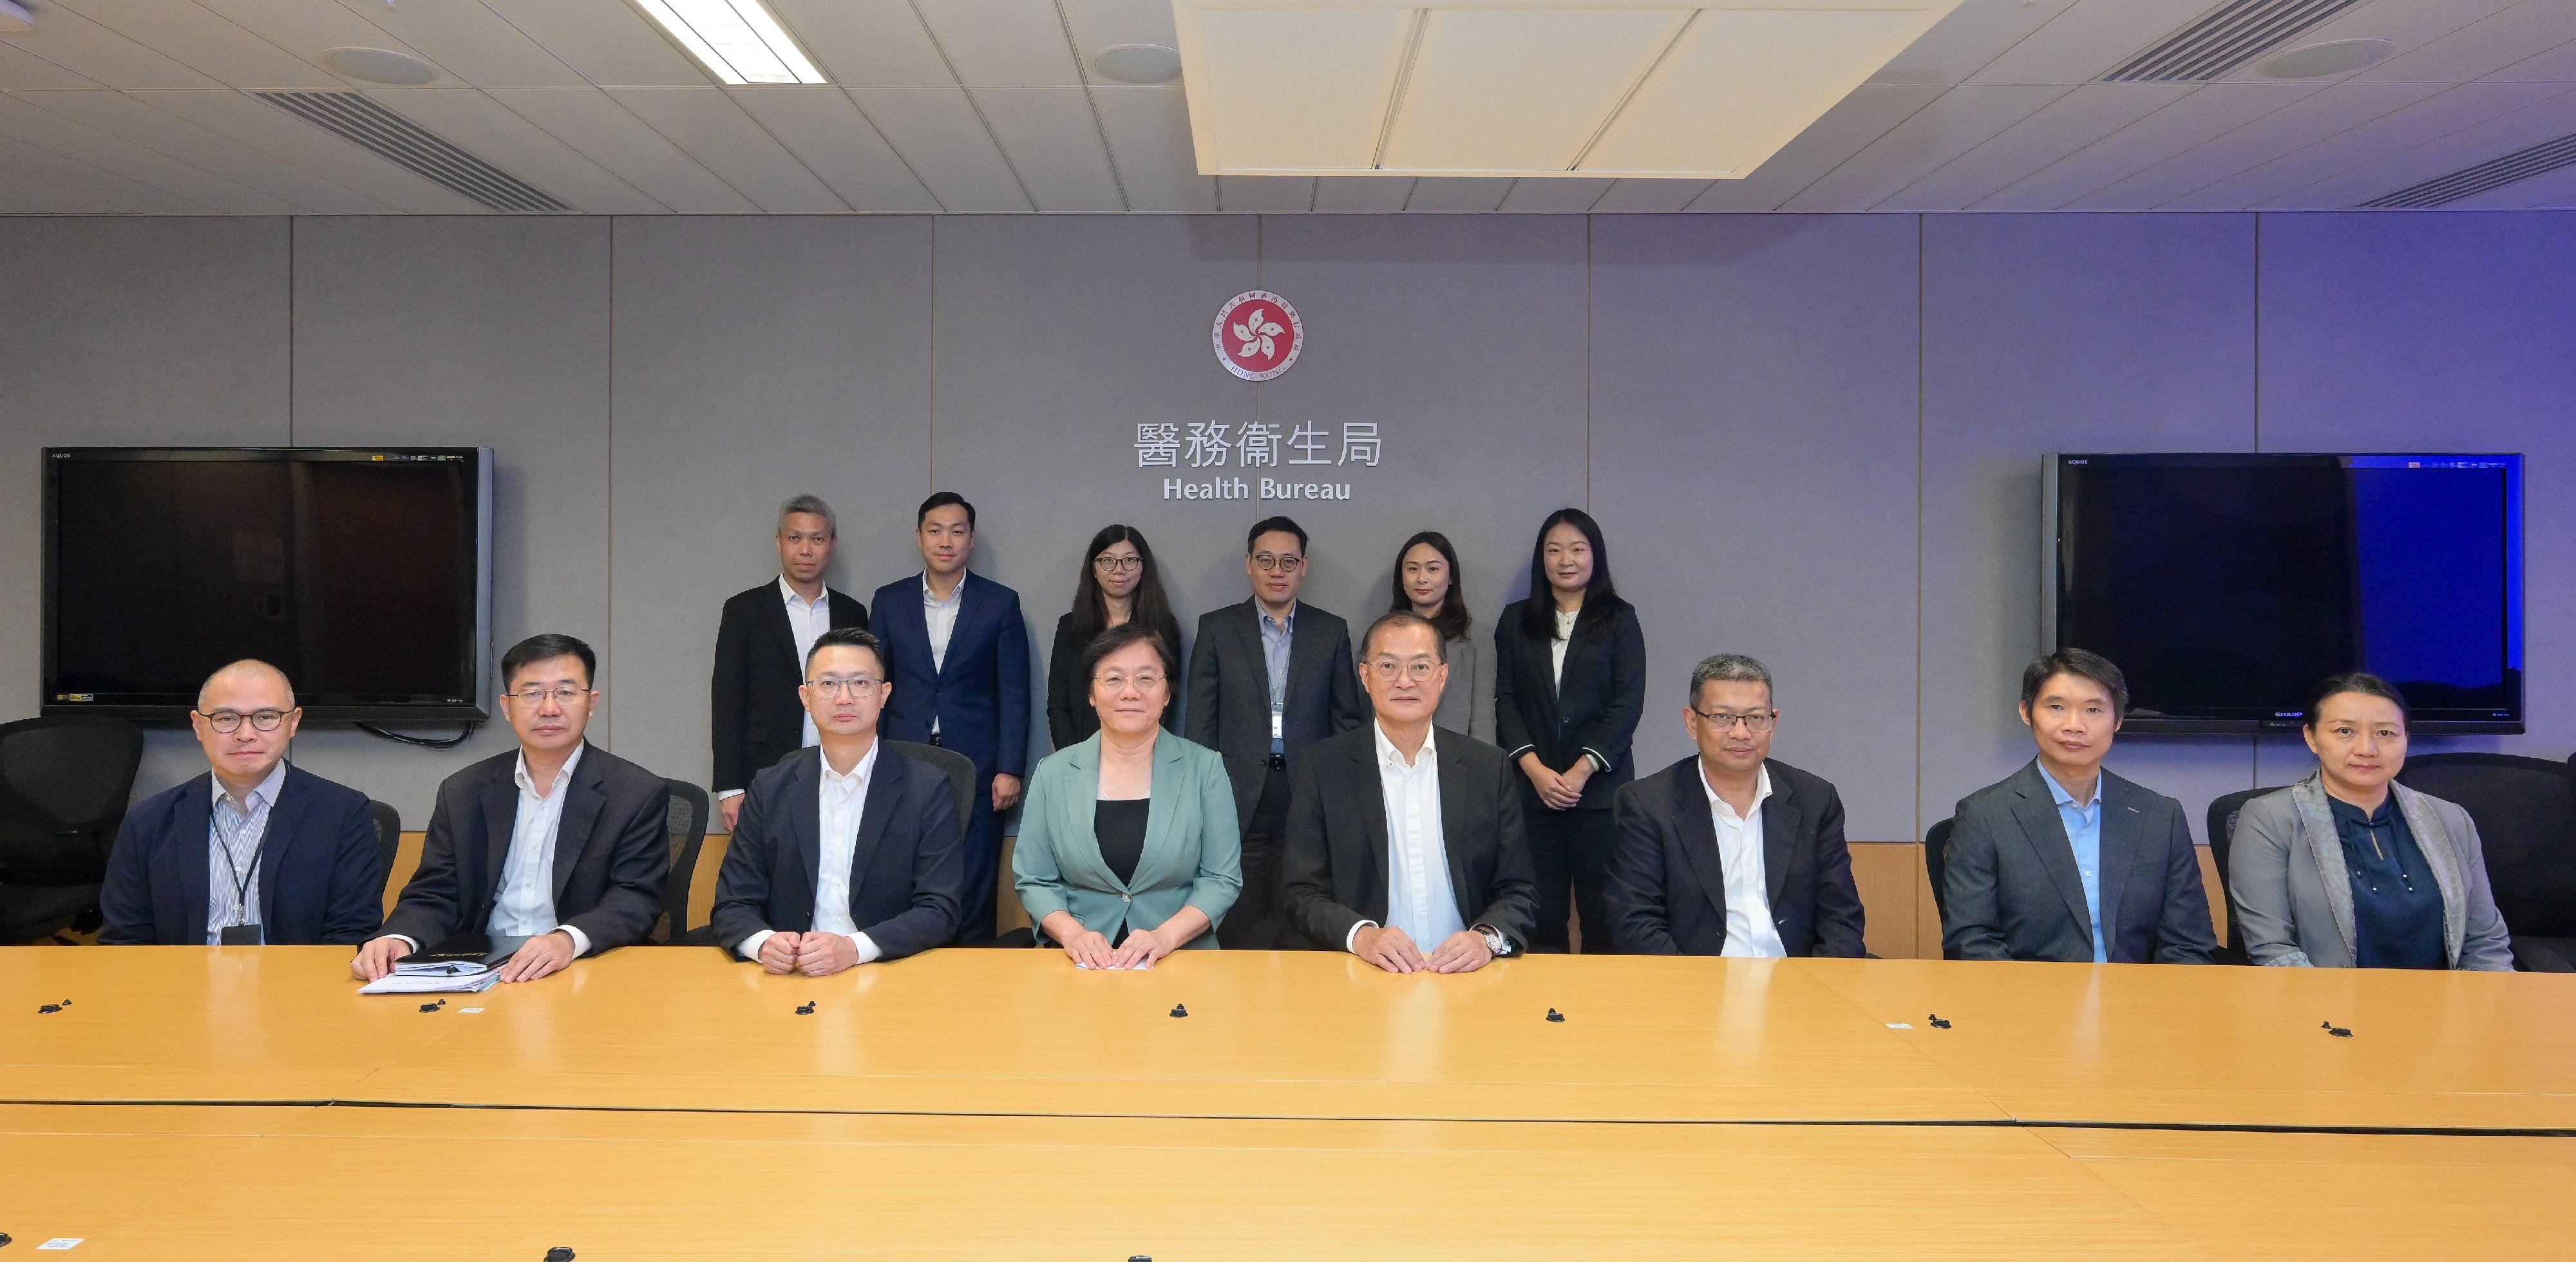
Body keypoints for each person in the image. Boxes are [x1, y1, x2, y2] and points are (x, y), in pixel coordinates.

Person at [352, 634, 670, 984]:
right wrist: (399, 937)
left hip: (582, 969)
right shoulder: (464, 791)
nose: (549, 708)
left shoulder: (635, 792)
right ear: (507, 707)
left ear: (591, 703)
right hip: (475, 968)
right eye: (532, 693)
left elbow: (636, 898)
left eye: (566, 692)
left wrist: (567, 940)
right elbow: (436, 892)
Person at [1280, 612, 1535, 972]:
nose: (1405, 681)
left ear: (1442, 677)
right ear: (1365, 677)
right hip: (1366, 972)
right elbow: (1300, 892)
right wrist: (1363, 936)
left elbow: (1518, 889)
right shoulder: (1324, 768)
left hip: (1467, 975)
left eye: (1420, 667)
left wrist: (1486, 939)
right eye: (1388, 666)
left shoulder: (1487, 769)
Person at [709, 628, 968, 974]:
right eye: (828, 684)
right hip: (789, 977)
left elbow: (940, 909)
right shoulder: (770, 787)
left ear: (884, 695)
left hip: (888, 974)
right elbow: (732, 902)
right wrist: (762, 943)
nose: (844, 698)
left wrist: (854, 949)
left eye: (861, 684)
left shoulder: (928, 788)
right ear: (805, 696)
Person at [1941, 648, 2216, 965]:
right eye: (2056, 707)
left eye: (2093, 710)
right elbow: (1972, 943)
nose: (2075, 726)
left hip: (2138, 1004)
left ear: (2118, 720)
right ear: (2026, 712)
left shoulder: (2159, 817)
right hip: (2031, 1003)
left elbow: (2188, 944)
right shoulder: (1986, 815)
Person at [2229, 673, 2514, 970]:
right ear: (2311, 737)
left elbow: (2485, 941)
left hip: (2447, 1007)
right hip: (2325, 1007)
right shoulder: (2270, 819)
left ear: (2406, 739)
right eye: (2344, 731)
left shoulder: (2451, 819)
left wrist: (2485, 1009)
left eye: (2385, 733)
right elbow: (2272, 949)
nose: (2367, 749)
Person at [98, 660, 387, 946]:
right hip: (183, 988)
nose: (246, 734)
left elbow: (352, 936)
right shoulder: (148, 821)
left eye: (266, 717)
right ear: (198, 726)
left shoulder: (343, 814)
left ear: (293, 723)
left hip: (297, 988)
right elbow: (126, 940)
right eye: (225, 718)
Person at [1605, 654, 1865, 957]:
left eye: (1756, 718)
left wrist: (1811, 991)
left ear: (1773, 722)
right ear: (1692, 722)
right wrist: (1703, 996)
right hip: (1697, 987)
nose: (1741, 733)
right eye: (1722, 718)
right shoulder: (1648, 805)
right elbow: (1635, 925)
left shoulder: (1815, 799)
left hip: (1797, 983)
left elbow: (1842, 919)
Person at [1186, 515, 1365, 950]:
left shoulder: (1330, 630)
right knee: (1240, 898)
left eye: (1289, 561)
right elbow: (1201, 721)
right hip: (1237, 786)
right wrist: (1202, 789)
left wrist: (1346, 789)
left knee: (1303, 890)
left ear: (1304, 567)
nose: (1277, 571)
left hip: (1309, 784)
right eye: (1266, 560)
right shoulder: (1217, 628)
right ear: (1249, 564)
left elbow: (1346, 718)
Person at [1016, 622, 1240, 966]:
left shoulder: (1204, 769)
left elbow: (1221, 878)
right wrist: (1072, 934)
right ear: (1092, 694)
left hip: (1179, 958)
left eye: (1146, 679)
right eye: (1114, 678)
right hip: (1078, 961)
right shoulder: (1053, 773)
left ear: (1167, 694)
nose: (1130, 692)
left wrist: (1165, 937)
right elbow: (1034, 879)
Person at [870, 492, 1031, 943]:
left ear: (972, 539)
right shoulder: (889, 600)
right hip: (903, 759)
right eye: (936, 530)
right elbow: (874, 685)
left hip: (977, 765)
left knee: (975, 882)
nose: (947, 541)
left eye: (957, 531)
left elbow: (1014, 692)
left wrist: (1010, 768)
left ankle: (973, 984)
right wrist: (872, 758)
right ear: (919, 537)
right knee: (905, 874)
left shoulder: (1000, 603)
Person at [1494, 507, 1645, 953]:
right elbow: (1506, 701)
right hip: (1532, 793)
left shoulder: (1620, 618)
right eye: (1555, 549)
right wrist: (1536, 770)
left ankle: (1602, 1018)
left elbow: (1627, 704)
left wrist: (1581, 771)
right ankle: (1540, 1014)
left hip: (1599, 794)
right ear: (1542, 558)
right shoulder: (1516, 620)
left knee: (1605, 916)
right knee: (1540, 916)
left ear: (1594, 556)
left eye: (1578, 549)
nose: (1566, 559)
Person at [710, 494, 868, 831]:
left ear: (833, 544)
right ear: (779, 542)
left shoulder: (852, 613)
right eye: (795, 538)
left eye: (818, 538)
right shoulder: (745, 610)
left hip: (841, 769)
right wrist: (729, 787)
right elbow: (726, 700)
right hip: (765, 770)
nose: (806, 549)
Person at [1047, 524, 1185, 749]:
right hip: (1081, 755)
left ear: (1143, 567)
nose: (1119, 570)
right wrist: (1073, 756)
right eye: (1108, 560)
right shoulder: (1070, 627)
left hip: (1146, 755)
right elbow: (1058, 704)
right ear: (1094, 568)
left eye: (1130, 560)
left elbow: (1168, 703)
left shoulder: (1163, 627)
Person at [1388, 530, 1493, 743]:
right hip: (1391, 758)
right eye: (1412, 569)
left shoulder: (1476, 638)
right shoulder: (1384, 635)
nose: (1422, 578)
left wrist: (1483, 770)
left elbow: (1483, 717)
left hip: (1454, 760)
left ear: (1451, 576)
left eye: (1433, 569)